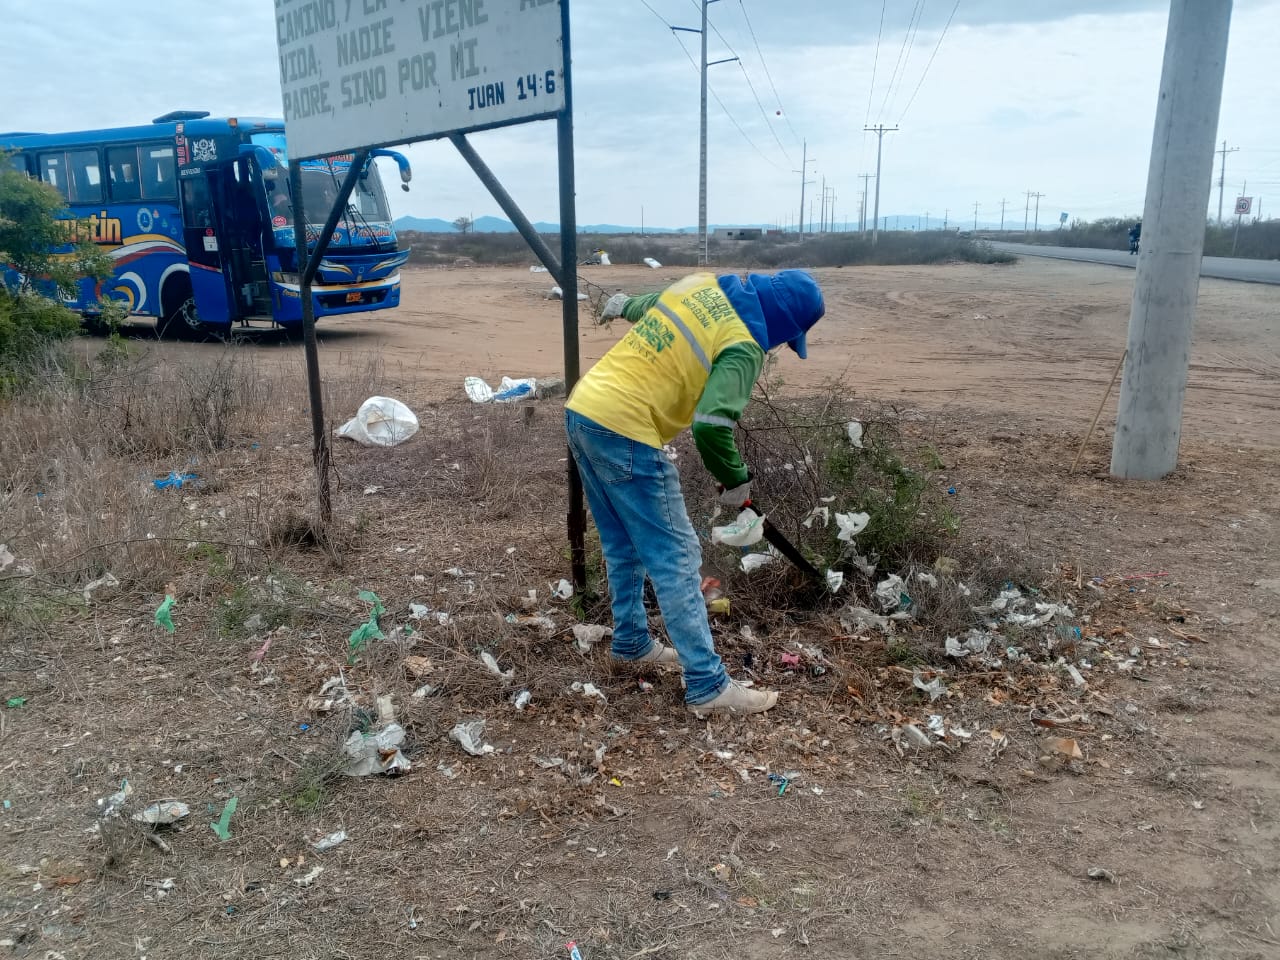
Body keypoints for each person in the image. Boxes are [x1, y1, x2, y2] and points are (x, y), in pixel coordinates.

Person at [565, 270, 825, 716]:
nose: (782, 346)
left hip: (585, 411)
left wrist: (623, 304)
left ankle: (631, 642)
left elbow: (650, 303)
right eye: (788, 339)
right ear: (785, 324)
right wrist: (735, 481)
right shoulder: (744, 344)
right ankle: (707, 685)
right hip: (626, 428)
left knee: (622, 543)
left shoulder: (703, 285)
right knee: (678, 558)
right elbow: (711, 425)